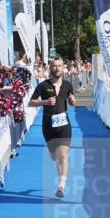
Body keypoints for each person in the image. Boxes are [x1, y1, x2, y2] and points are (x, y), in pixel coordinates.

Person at [29, 56, 75, 198]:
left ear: (63, 68)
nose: (57, 68)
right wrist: (45, 102)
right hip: (48, 124)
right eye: (54, 66)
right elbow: (31, 102)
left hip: (64, 124)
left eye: (59, 66)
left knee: (63, 156)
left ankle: (61, 185)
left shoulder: (68, 85)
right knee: (54, 156)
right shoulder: (43, 85)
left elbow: (71, 100)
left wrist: (73, 100)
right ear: (50, 68)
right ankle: (58, 169)